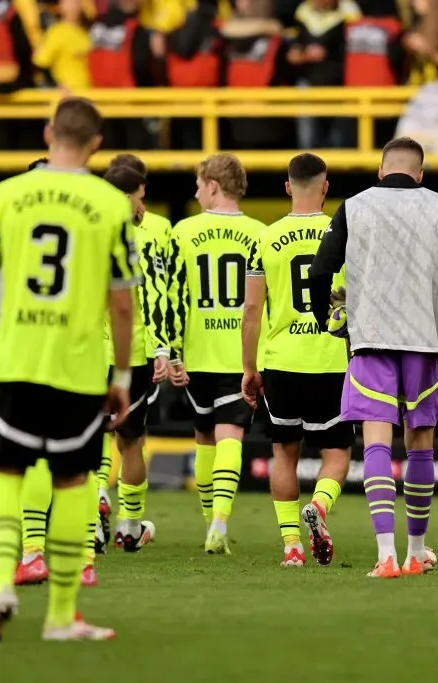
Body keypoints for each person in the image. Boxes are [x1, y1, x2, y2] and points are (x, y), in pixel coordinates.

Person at [0, 97, 135, 642]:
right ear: (96, 143)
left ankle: (0, 584)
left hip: (14, 358)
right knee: (71, 481)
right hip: (78, 366)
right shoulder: (110, 204)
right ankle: (61, 616)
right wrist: (123, 377)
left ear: (46, 133)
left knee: (6, 474)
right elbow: (123, 303)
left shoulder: (5, 195)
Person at [308, 137, 438, 578]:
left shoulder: (355, 205)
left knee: (377, 442)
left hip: (371, 337)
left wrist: (325, 317)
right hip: (425, 339)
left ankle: (385, 555)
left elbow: (320, 269)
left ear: (381, 171)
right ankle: (416, 552)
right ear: (420, 174)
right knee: (420, 441)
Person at [241, 153, 352, 568]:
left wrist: (250, 368)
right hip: (332, 360)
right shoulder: (343, 232)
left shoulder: (265, 238)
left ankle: (291, 548)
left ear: (288, 187)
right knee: (337, 453)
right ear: (326, 187)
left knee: (284, 454)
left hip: (282, 361)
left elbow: (252, 311)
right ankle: (320, 507)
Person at [167, 153, 266, 555]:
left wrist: (171, 351)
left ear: (212, 185)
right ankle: (220, 524)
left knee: (204, 438)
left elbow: (171, 296)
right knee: (230, 438)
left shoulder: (182, 232)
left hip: (194, 354)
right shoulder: (262, 233)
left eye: (197, 184)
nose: (195, 192)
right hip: (238, 355)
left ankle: (210, 523)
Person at [102, 154, 171, 552]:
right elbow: (156, 296)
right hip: (134, 352)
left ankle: (93, 517)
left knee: (92, 437)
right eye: (140, 197)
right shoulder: (146, 235)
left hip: (90, 352)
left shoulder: (87, 232)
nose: (143, 206)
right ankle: (128, 526)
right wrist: (164, 348)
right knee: (132, 440)